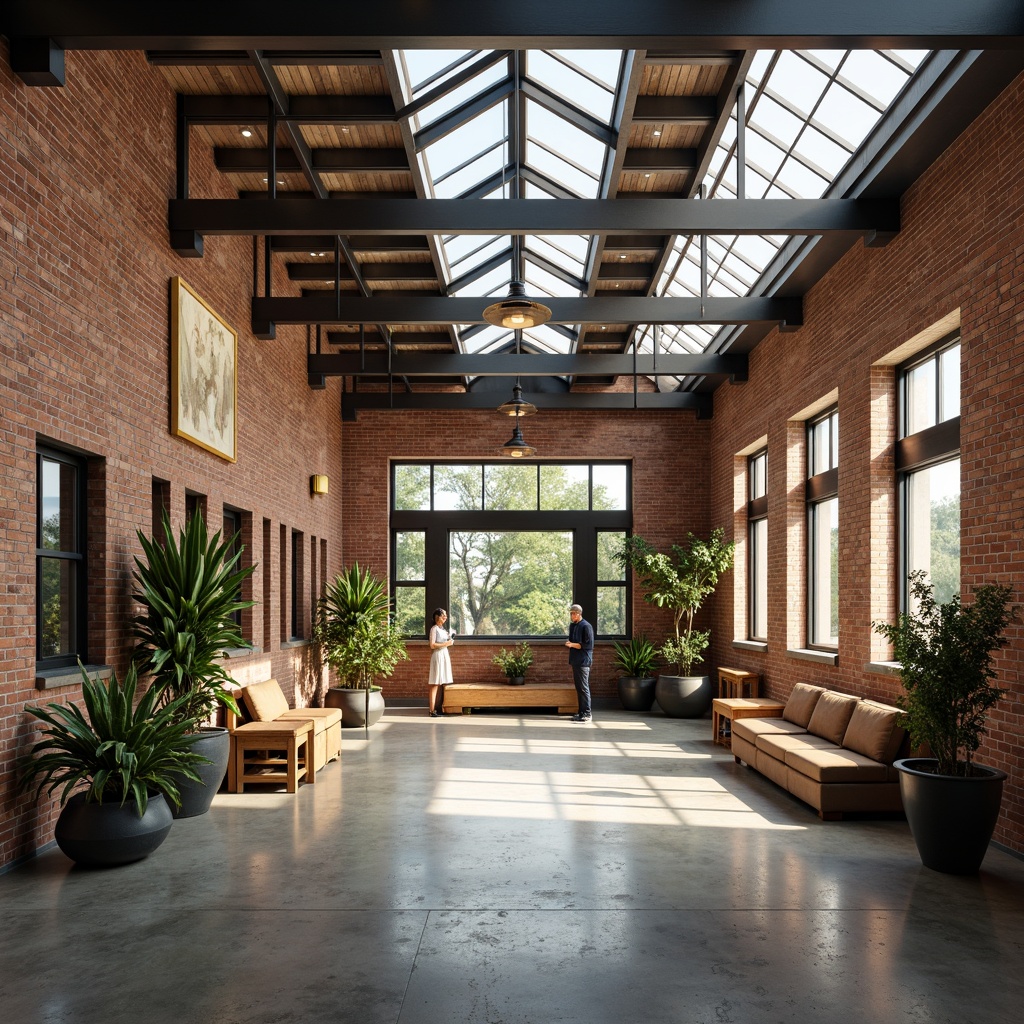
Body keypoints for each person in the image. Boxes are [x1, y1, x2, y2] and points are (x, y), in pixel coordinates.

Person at [564, 603, 594, 723]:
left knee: (583, 687)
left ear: (578, 614)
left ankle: (587, 713)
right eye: (571, 614)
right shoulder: (573, 626)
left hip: (583, 661)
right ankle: (581, 712)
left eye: (573, 614)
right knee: (579, 687)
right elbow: (572, 640)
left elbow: (588, 645)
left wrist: (572, 645)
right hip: (575, 660)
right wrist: (570, 643)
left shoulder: (586, 626)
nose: (571, 616)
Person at [427, 608, 455, 717]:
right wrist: (446, 644)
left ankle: (441, 707)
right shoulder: (434, 629)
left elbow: (447, 642)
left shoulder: (443, 629)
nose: (446, 617)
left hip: (444, 655)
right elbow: (432, 645)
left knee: (443, 682)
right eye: (444, 615)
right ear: (438, 617)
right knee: (435, 683)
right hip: (438, 655)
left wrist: (450, 640)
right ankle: (432, 710)